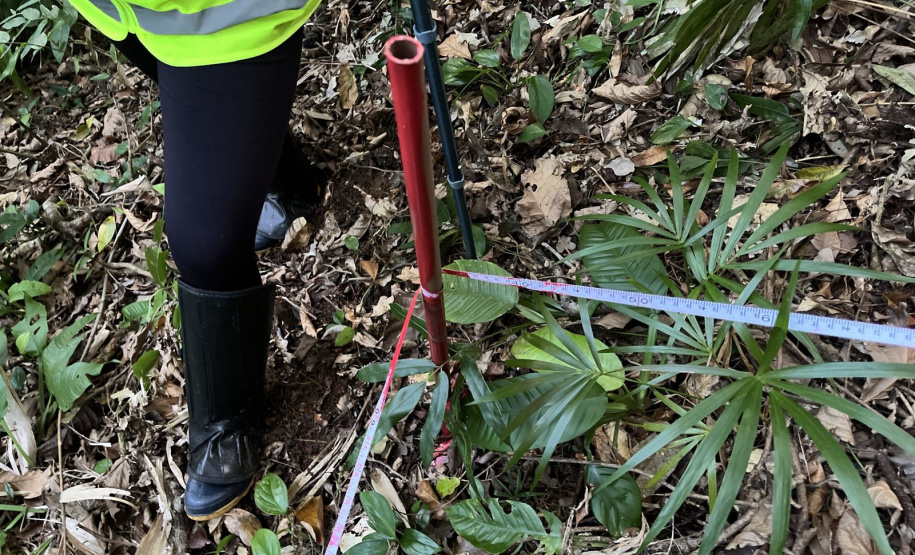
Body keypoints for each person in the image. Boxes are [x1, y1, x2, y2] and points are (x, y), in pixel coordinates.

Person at [66, 0, 326, 520]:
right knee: (220, 112)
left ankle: (229, 424)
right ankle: (291, 185)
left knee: (206, 244)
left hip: (229, 13)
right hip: (133, 12)